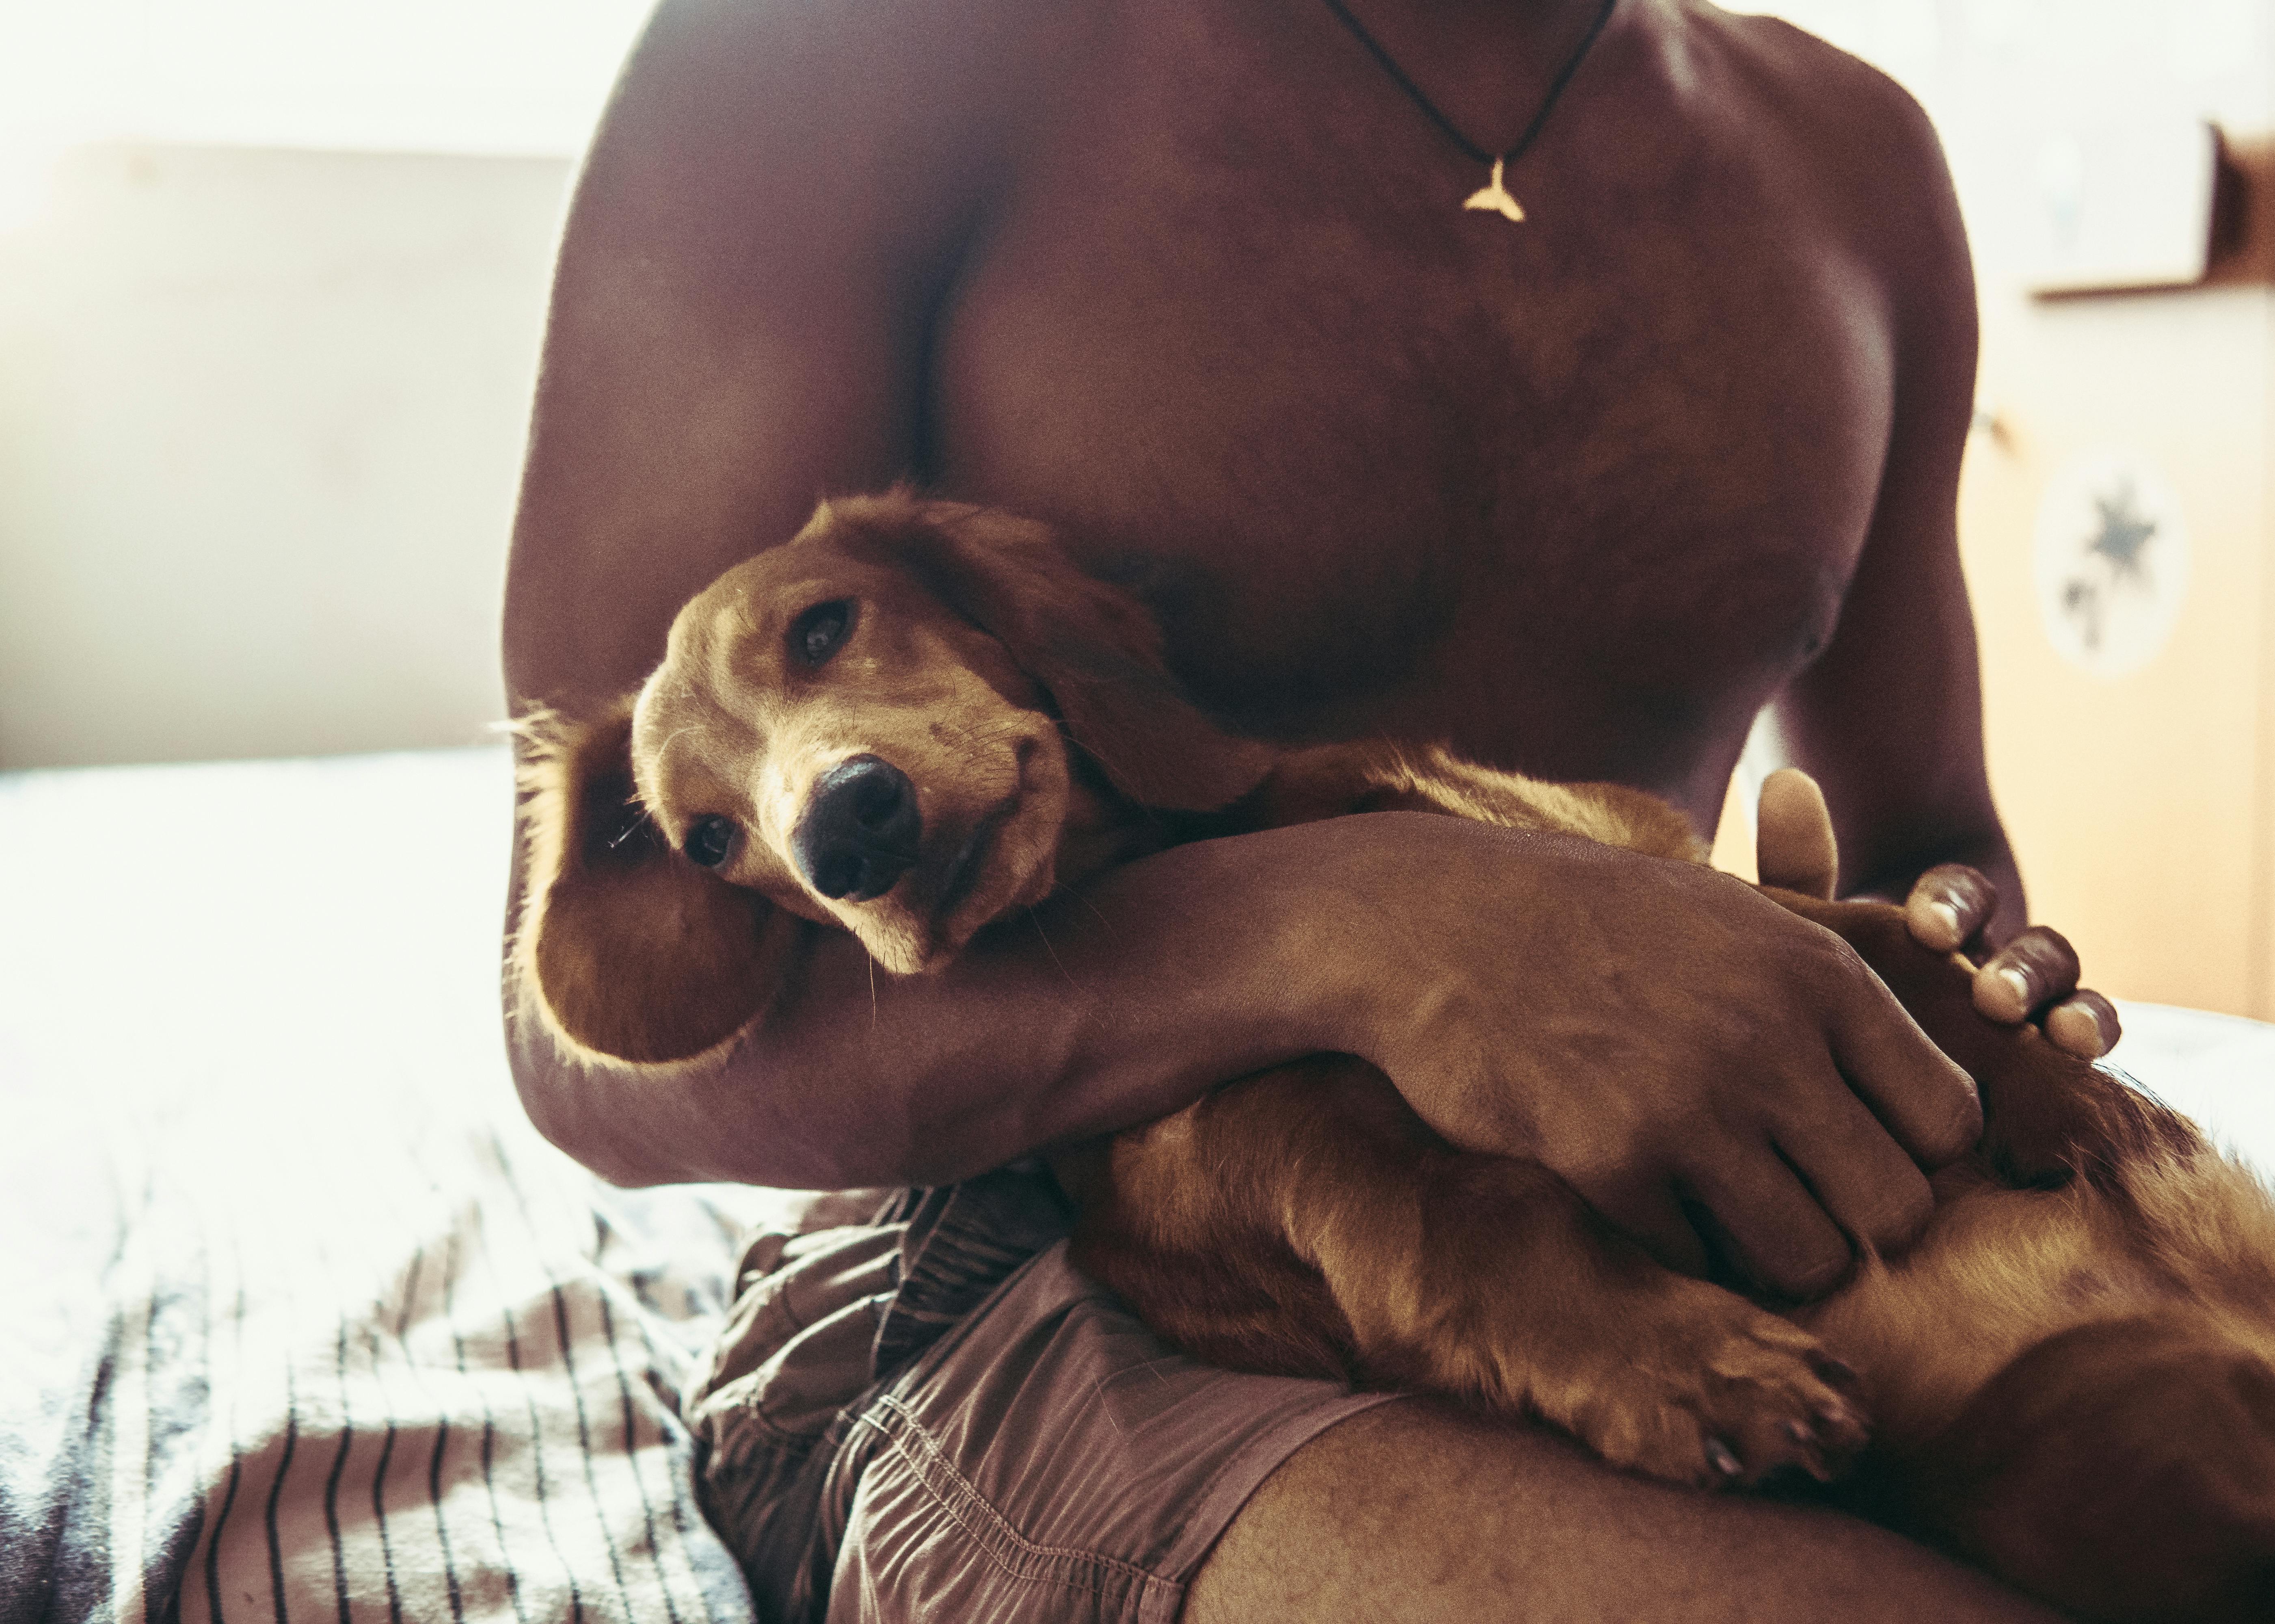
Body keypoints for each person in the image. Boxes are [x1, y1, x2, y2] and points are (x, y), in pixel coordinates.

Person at [502, 0, 2115, 1618]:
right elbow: (601, 1065)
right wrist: (1388, 931)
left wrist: (1935, 966)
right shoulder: (837, 50)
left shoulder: (1860, 157)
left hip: (1684, 1214)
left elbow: (1935, 830)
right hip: (1030, 1251)